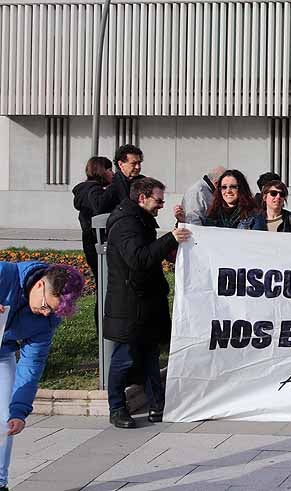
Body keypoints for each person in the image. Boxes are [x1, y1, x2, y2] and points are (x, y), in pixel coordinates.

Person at [104, 177, 191, 428]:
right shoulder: (125, 224)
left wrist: (176, 228)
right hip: (129, 305)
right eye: (158, 200)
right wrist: (170, 238)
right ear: (142, 198)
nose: (161, 205)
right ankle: (117, 408)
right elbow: (139, 258)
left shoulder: (138, 219)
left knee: (150, 356)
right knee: (125, 358)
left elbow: (148, 252)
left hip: (145, 303)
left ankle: (156, 404)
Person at [0, 262, 84, 489]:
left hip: (2, 354)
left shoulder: (47, 320)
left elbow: (32, 364)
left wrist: (19, 411)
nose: (46, 313)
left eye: (53, 311)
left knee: (5, 419)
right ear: (39, 285)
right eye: (46, 305)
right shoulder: (3, 275)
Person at [71, 156, 115, 320]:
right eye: (109, 169)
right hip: (97, 246)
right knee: (105, 288)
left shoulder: (88, 190)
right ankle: (103, 326)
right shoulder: (93, 191)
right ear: (101, 171)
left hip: (93, 245)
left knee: (104, 287)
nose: (112, 173)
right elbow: (99, 207)